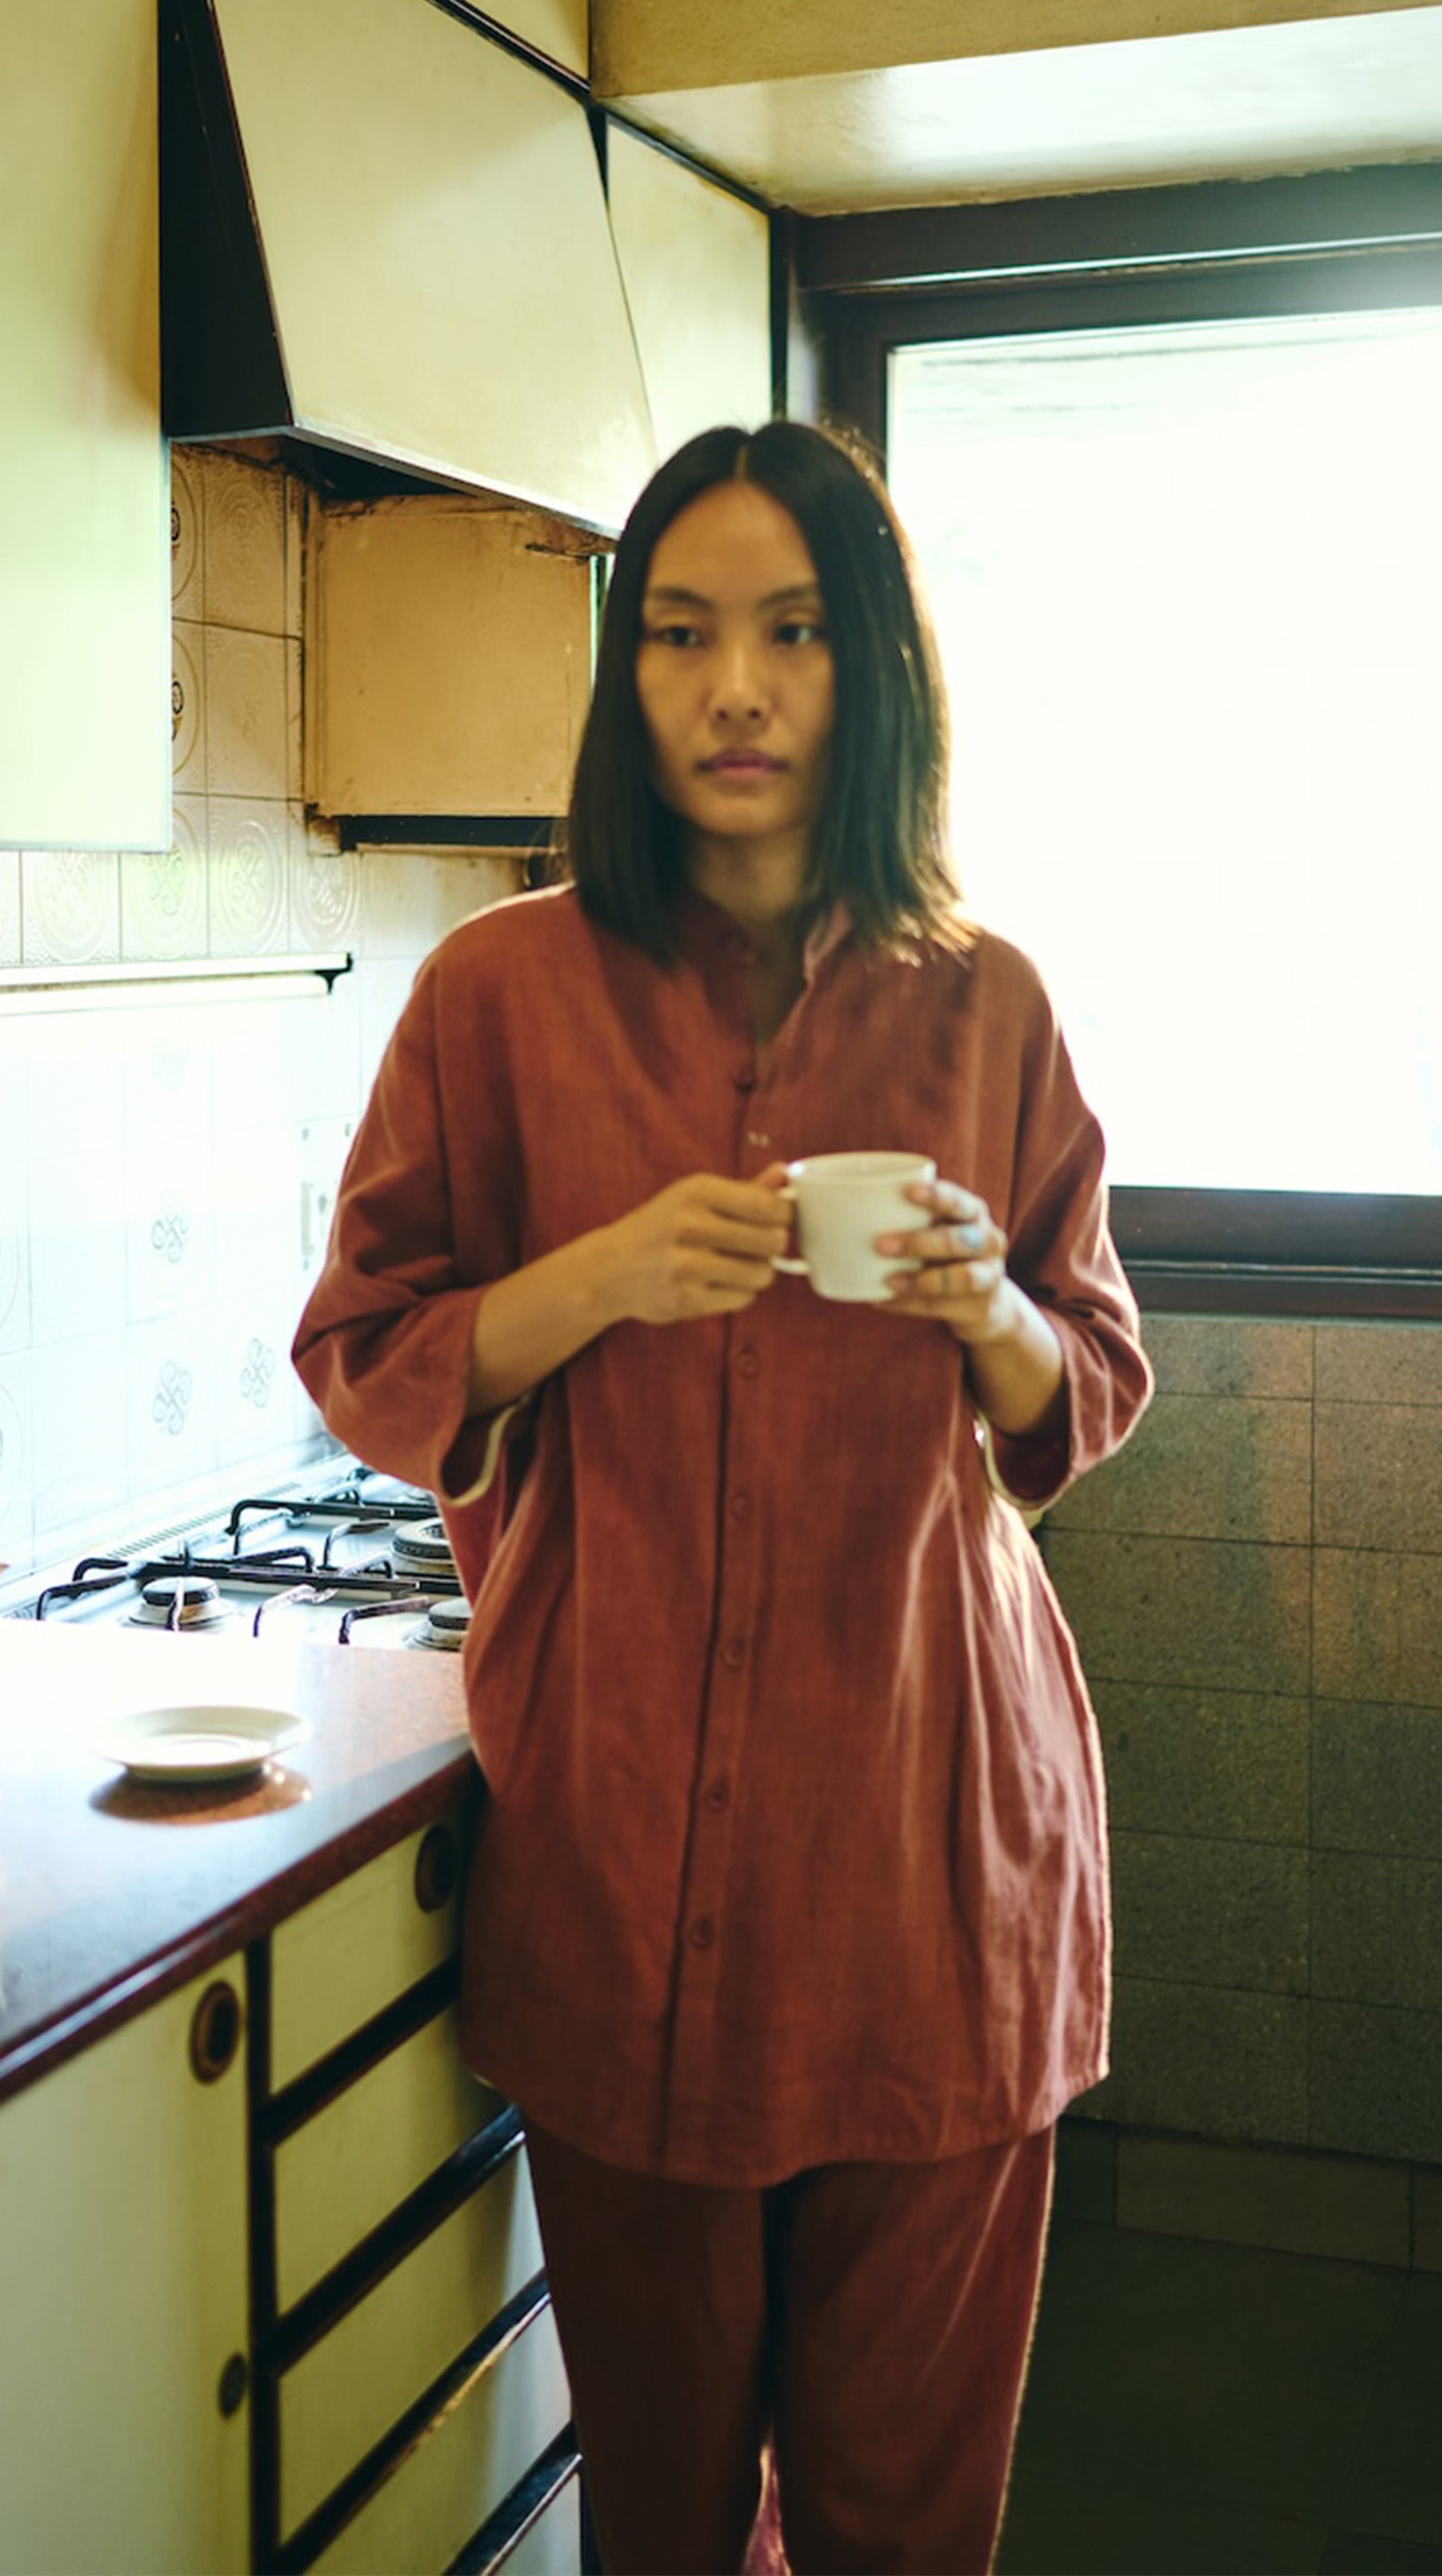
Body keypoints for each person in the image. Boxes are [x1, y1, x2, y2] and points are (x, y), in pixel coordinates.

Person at [293, 421, 1153, 2576]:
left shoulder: (990, 1006)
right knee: (659, 2529)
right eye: (678, 636)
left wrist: (991, 1322)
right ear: (627, 672)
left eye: (788, 634)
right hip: (621, 1882)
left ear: (871, 671)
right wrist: (585, 1282)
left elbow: (1089, 1375)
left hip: (931, 1877)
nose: (734, 689)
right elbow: (359, 1347)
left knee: (898, 2531)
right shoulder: (492, 1000)